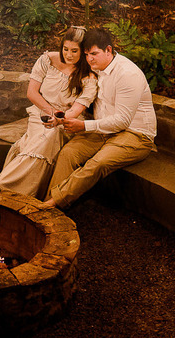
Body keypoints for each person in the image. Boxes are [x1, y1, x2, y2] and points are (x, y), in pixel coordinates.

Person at [42, 26, 156, 210]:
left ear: (108, 50)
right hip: (105, 130)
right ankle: (51, 210)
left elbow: (122, 121)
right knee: (68, 154)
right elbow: (63, 56)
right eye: (86, 54)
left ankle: (51, 205)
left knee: (97, 163)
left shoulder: (127, 74)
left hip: (135, 135)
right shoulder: (97, 67)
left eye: (94, 53)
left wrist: (84, 126)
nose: (89, 59)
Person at [0, 27, 98, 199]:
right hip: (40, 111)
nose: (69, 55)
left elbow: (76, 109)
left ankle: (8, 187)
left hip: (66, 120)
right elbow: (32, 93)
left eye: (74, 51)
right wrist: (51, 111)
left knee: (51, 135)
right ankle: (11, 189)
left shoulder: (89, 77)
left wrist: (59, 119)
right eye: (65, 49)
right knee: (43, 136)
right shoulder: (47, 60)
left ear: (84, 51)